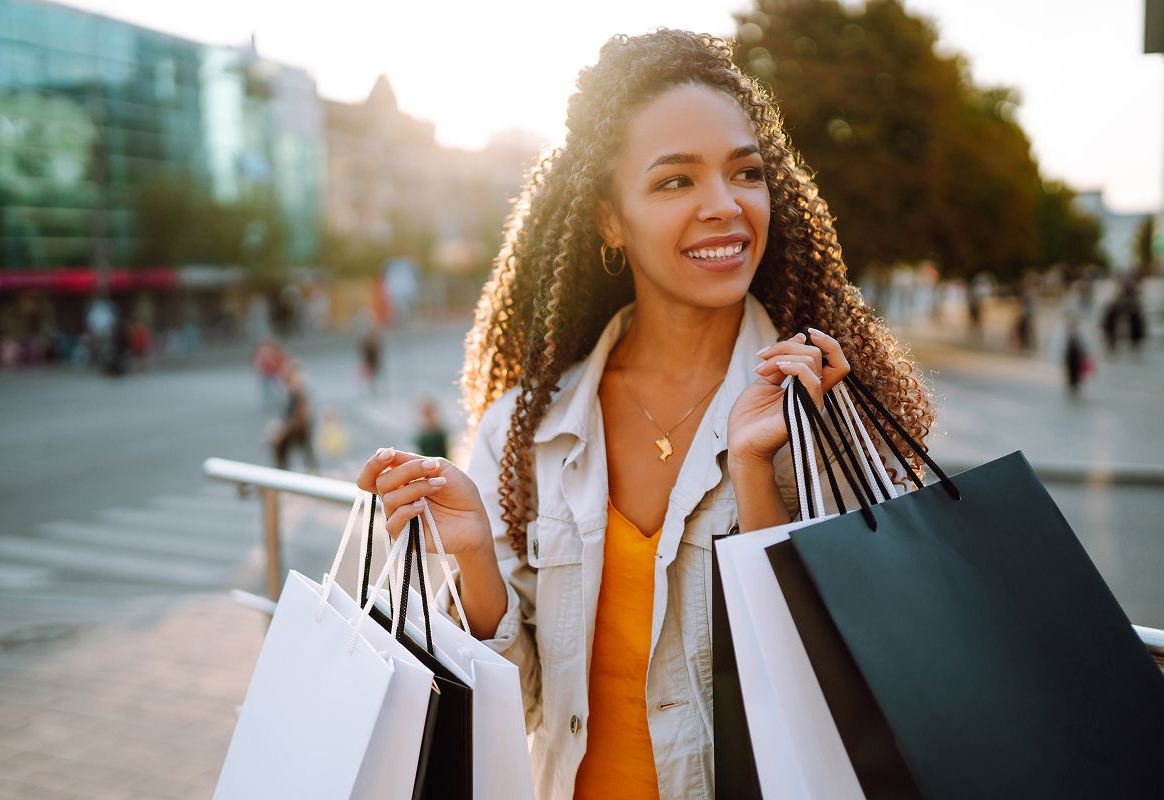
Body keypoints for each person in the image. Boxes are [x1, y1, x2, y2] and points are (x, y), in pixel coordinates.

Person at [357, 30, 934, 800]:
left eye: (746, 173)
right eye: (674, 182)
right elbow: (523, 703)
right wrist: (473, 561)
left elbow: (852, 693)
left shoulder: (831, 417)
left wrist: (759, 479)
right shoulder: (521, 431)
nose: (724, 206)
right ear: (608, 218)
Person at [272, 363, 318, 472]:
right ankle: (309, 471)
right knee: (304, 452)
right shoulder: (290, 391)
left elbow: (304, 412)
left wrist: (285, 428)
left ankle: (311, 472)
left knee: (305, 451)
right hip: (295, 426)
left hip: (298, 427)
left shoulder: (298, 392)